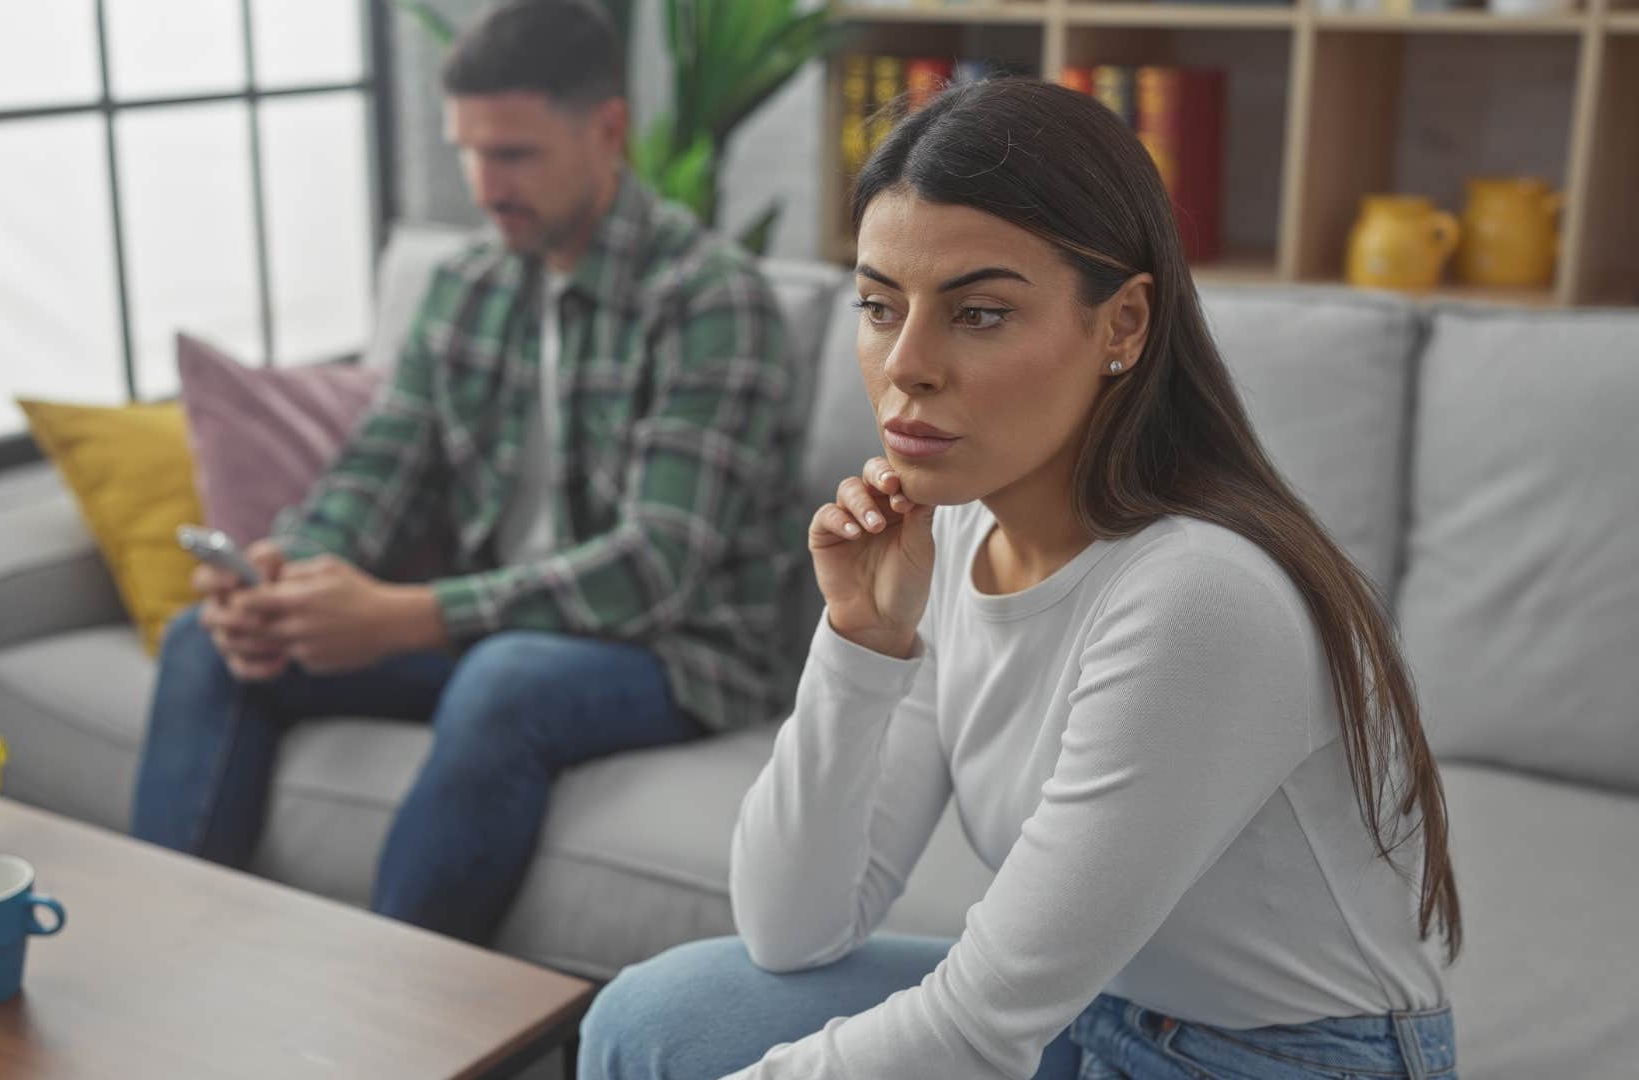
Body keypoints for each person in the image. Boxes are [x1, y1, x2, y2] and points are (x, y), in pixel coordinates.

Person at [579, 77, 1461, 1080]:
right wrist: (860, 646)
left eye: (980, 314)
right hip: (1099, 1014)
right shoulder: (952, 536)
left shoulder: (1200, 600)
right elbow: (792, 929)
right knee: (653, 1018)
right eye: (878, 305)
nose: (906, 365)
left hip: (1284, 1061)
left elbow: (976, 1029)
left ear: (1124, 325)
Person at [128, 0, 800, 947]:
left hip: (678, 653)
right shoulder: (466, 288)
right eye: (469, 153)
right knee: (208, 639)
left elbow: (654, 567)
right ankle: (173, 975)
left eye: (514, 155)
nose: (484, 185)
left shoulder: (711, 300)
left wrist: (405, 615)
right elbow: (377, 468)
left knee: (506, 676)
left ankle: (395, 1027)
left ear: (608, 130)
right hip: (490, 624)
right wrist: (289, 573)